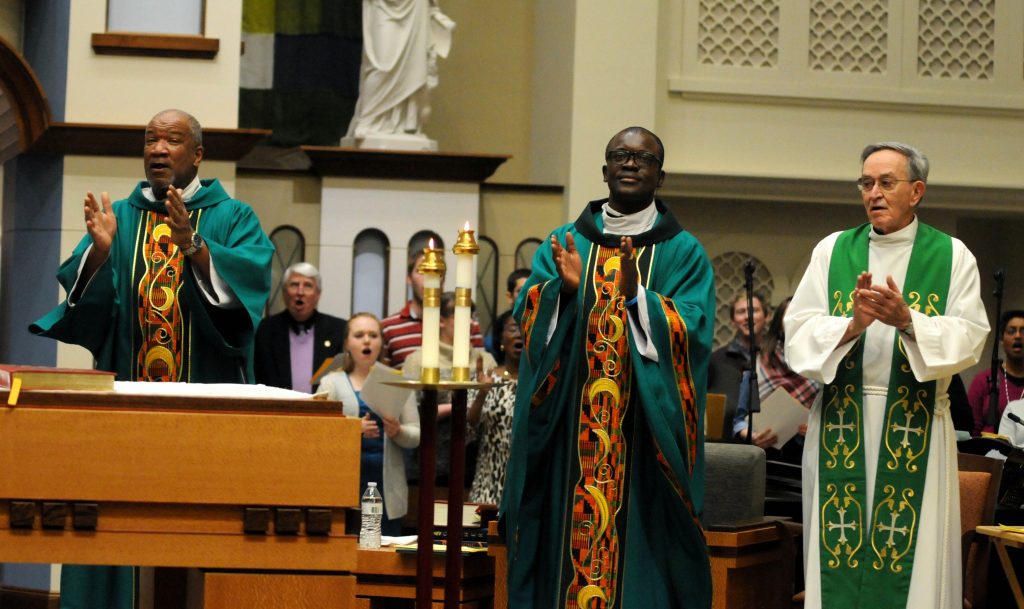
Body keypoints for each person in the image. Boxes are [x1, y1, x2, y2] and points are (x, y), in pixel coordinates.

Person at [29, 109, 274, 609]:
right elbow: (91, 319)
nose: (158, 149)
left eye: (173, 140)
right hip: (126, 423)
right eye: (151, 140)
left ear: (198, 154)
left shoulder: (232, 217)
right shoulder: (119, 217)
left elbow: (246, 303)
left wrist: (196, 249)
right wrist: (98, 256)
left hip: (207, 419)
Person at [502, 127, 714, 608]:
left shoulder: (683, 252)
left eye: (644, 157)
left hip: (643, 446)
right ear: (604, 170)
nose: (631, 163)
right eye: (620, 155)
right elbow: (528, 320)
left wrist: (638, 297)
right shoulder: (564, 241)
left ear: (662, 175)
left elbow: (694, 331)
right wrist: (568, 292)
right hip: (569, 443)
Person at [785, 142, 988, 609]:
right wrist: (851, 326)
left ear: (916, 191)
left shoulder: (952, 255)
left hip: (916, 423)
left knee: (914, 569)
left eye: (886, 182)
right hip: (841, 419)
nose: (873, 192)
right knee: (837, 556)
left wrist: (908, 321)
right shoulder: (832, 250)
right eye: (866, 182)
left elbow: (971, 333)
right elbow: (797, 332)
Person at [318, 313, 419, 535]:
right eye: (359, 335)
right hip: (346, 483)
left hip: (387, 485)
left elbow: (416, 435)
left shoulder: (397, 381)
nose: (367, 341)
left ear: (381, 343)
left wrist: (398, 431)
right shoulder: (330, 382)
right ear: (347, 343)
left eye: (373, 335)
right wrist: (354, 430)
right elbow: (318, 433)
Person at [401, 291, 496, 486]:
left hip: (475, 469)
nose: (469, 322)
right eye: (460, 315)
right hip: (426, 465)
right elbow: (408, 416)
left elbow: (493, 413)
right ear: (440, 321)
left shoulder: (485, 359)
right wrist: (454, 408)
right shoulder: (418, 360)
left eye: (472, 316)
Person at [343, 0, 455, 147]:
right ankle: (368, 118)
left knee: (414, 63)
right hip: (383, 5)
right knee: (381, 64)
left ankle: (403, 124)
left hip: (415, 6)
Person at [733, 296, 820, 462]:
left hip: (809, 458)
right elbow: (739, 421)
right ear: (779, 325)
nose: (796, 324)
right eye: (790, 318)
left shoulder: (822, 365)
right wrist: (752, 435)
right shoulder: (758, 363)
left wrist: (816, 429)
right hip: (767, 458)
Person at [254, 262, 347, 392]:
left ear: (318, 294)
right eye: (294, 285)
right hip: (277, 409)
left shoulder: (339, 329)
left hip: (323, 409)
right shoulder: (265, 330)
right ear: (284, 293)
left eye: (308, 286)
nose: (300, 292)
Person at [381, 251, 482, 367]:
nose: (428, 278)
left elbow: (480, 369)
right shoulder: (389, 328)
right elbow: (385, 376)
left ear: (443, 280)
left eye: (436, 272)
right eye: (421, 271)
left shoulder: (466, 325)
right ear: (409, 278)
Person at [468, 310, 521, 505]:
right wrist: (482, 392)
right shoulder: (488, 377)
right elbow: (470, 425)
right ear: (500, 337)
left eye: (525, 328)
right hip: (488, 484)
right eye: (514, 328)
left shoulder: (540, 382)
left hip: (525, 488)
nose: (520, 334)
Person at [709, 292, 767, 441]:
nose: (748, 316)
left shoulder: (779, 358)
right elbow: (712, 415)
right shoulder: (715, 360)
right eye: (741, 312)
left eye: (754, 310)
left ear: (767, 316)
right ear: (733, 321)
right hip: (731, 450)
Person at [967, 310, 1024, 435]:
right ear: (1002, 339)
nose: (1018, 336)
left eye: (1023, 331)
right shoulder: (983, 380)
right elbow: (971, 431)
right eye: (1011, 331)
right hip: (988, 452)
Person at [486, 267, 530, 363]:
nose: (527, 295)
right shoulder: (503, 323)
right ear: (509, 297)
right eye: (521, 291)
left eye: (531, 290)